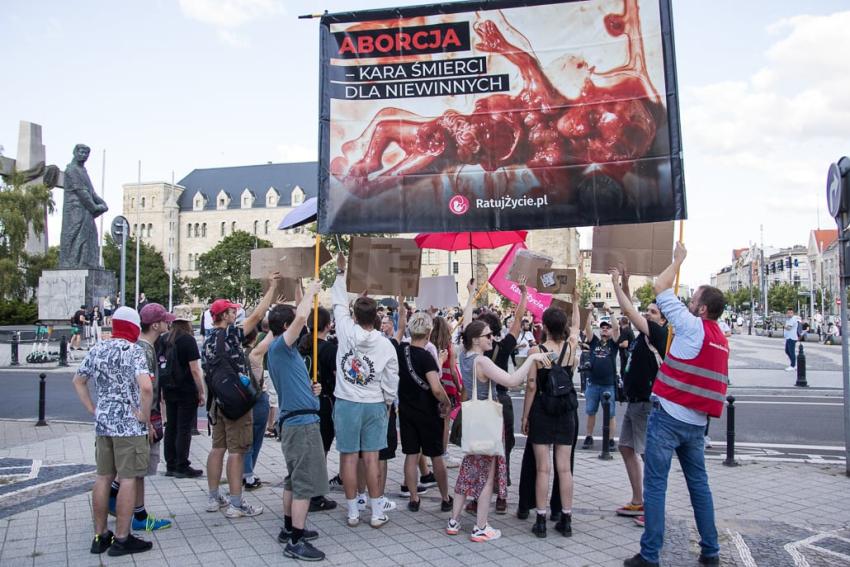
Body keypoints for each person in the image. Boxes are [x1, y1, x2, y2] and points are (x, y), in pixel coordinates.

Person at [624, 242, 728, 567]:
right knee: (700, 486)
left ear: (702, 309)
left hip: (668, 416)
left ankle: (650, 554)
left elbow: (660, 286)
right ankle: (710, 552)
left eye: (693, 299)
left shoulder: (691, 326)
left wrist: (678, 260)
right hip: (696, 423)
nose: (688, 302)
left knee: (655, 485)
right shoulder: (721, 339)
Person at [446, 320, 552, 542]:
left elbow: (467, 323)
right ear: (476, 339)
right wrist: (532, 358)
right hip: (487, 422)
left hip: (473, 422)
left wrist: (472, 293)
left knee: (467, 468)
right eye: (487, 336)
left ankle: (454, 521)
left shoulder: (464, 355)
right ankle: (480, 526)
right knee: (487, 475)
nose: (492, 338)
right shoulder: (482, 362)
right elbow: (512, 380)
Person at [251, 283, 328, 561]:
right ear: (285, 326)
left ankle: (289, 529)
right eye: (294, 321)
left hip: (298, 419)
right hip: (300, 425)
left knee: (294, 480)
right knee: (304, 482)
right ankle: (295, 541)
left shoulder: (287, 351)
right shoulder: (281, 348)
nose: (301, 326)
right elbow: (300, 318)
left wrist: (311, 391)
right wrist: (311, 293)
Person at [72, 306, 154, 557]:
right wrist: (144, 415)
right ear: (134, 326)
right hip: (128, 425)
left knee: (103, 477)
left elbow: (78, 380)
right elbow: (146, 387)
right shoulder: (134, 351)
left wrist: (93, 409)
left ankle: (100, 535)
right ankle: (122, 537)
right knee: (128, 478)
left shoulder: (98, 348)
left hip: (104, 423)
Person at [204, 274, 280, 519]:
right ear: (224, 315)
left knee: (218, 448)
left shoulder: (206, 340)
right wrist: (272, 287)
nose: (234, 314)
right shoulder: (231, 335)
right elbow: (258, 315)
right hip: (236, 402)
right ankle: (237, 504)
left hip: (217, 402)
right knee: (237, 451)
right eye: (231, 311)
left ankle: (214, 497)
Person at [332, 253, 399, 528]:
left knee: (348, 458)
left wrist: (340, 273)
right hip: (373, 403)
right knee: (371, 458)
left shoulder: (345, 330)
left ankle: (351, 511)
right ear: (378, 317)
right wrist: (387, 402)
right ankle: (375, 511)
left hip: (347, 400)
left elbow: (337, 303)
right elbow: (391, 379)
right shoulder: (385, 345)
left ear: (354, 315)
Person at [464, 279, 530, 514]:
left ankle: (475, 497)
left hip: (479, 405)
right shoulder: (502, 347)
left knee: (479, 452)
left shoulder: (471, 352)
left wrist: (471, 294)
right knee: (503, 450)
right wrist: (523, 297)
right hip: (501, 401)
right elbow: (516, 326)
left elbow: (466, 324)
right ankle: (502, 496)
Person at [609, 266, 669, 522]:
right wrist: (625, 282)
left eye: (653, 312)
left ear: (663, 320)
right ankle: (638, 500)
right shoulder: (645, 334)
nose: (648, 313)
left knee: (646, 453)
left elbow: (630, 312)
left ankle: (653, 508)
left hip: (647, 402)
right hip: (635, 401)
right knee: (625, 447)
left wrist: (615, 285)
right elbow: (633, 309)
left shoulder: (658, 333)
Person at [521, 304, 580, 538]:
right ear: (563, 327)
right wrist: (575, 303)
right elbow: (576, 327)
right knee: (564, 468)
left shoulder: (536, 351)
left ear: (543, 326)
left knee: (542, 468)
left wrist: (525, 415)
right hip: (566, 411)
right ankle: (566, 519)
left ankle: (541, 519)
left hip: (542, 411)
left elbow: (531, 386)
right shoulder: (571, 347)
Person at [392, 311, 453, 512]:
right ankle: (445, 497)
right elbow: (436, 388)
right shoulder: (427, 356)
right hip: (427, 412)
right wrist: (446, 402)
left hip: (407, 411)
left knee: (411, 454)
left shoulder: (401, 351)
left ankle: (414, 498)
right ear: (428, 333)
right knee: (436, 456)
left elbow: (397, 335)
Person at [162, 306, 205, 478]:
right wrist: (201, 391)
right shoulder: (188, 340)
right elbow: (195, 369)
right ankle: (182, 464)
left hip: (169, 387)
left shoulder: (165, 338)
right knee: (184, 428)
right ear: (188, 321)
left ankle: (170, 464)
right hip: (186, 388)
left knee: (171, 426)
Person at [582, 313, 620, 450]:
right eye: (602, 327)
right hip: (593, 383)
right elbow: (587, 328)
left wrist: (611, 313)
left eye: (607, 327)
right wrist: (588, 312)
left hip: (608, 384)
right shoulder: (594, 342)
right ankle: (589, 436)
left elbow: (616, 329)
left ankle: (610, 440)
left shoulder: (613, 344)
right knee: (591, 411)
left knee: (610, 414)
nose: (605, 329)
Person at [431, 315, 462, 466]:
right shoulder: (449, 346)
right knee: (445, 422)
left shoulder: (428, 345)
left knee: (432, 420)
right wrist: (459, 387)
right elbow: (453, 370)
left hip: (432, 385)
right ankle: (443, 453)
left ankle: (430, 453)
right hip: (447, 386)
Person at [242, 329, 270, 491]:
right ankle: (248, 474)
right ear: (255, 337)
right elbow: (271, 338)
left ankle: (243, 473)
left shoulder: (235, 354)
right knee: (256, 438)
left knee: (245, 438)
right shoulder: (255, 354)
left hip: (241, 400)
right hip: (258, 398)